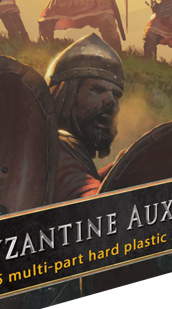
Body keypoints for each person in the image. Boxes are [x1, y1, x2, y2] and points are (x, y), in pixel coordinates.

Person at [44, 33, 125, 202]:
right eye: (97, 89)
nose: (111, 101)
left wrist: (127, 164)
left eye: (117, 94)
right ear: (67, 95)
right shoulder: (56, 153)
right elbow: (92, 201)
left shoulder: (68, 150)